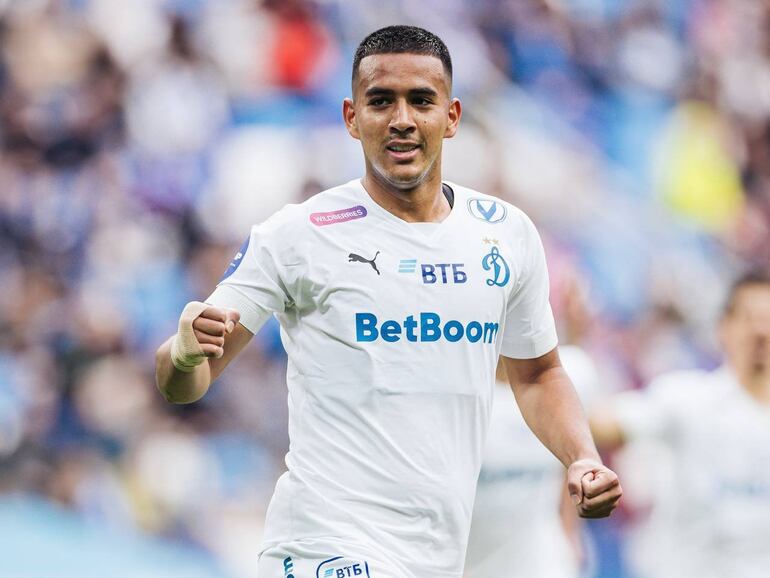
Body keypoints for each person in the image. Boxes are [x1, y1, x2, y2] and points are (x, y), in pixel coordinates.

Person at [155, 25, 621, 578]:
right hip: (324, 548)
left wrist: (582, 457)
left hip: (438, 556)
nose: (402, 118)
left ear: (451, 117)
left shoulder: (506, 235)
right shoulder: (298, 234)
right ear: (352, 118)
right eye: (381, 101)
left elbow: (538, 375)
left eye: (421, 100)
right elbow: (185, 382)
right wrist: (184, 353)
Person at [591, 270, 770, 578]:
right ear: (723, 328)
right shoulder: (686, 399)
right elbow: (602, 424)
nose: (760, 331)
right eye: (749, 318)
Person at [464, 347, 601, 578]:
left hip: (543, 560)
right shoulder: (460, 396)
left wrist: (569, 533)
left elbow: (572, 462)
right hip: (470, 563)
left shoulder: (572, 375)